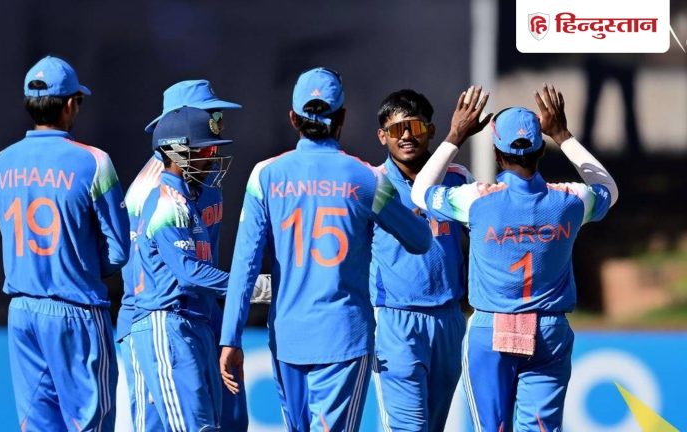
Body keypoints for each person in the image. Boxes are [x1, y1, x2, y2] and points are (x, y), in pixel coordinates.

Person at [219, 67, 431, 432]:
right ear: (343, 117)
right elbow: (420, 240)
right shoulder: (368, 178)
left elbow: (245, 265)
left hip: (287, 338)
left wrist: (230, 337)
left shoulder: (265, 175)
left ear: (293, 118)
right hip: (343, 338)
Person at [411, 85, 618, 431]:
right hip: (549, 330)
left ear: (496, 153)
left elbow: (420, 193)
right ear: (541, 149)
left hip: (491, 328)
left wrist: (455, 135)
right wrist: (563, 135)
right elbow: (609, 190)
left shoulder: (475, 200)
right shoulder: (570, 200)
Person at [0, 55, 129, 431]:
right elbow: (119, 250)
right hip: (76, 310)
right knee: (91, 424)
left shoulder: (2, 162)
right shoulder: (93, 162)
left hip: (22, 312)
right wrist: (79, 263)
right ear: (70, 104)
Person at [117, 79, 248, 431]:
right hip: (157, 317)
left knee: (224, 424)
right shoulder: (153, 191)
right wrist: (246, 285)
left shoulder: (204, 175)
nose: (217, 126)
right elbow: (162, 272)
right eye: (210, 117)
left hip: (201, 314)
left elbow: (204, 259)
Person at [371, 89, 473, 431]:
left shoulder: (458, 177)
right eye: (396, 129)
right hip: (395, 319)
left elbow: (486, 237)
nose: (406, 136)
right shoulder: (372, 183)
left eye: (414, 127)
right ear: (382, 136)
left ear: (430, 130)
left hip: (448, 319)